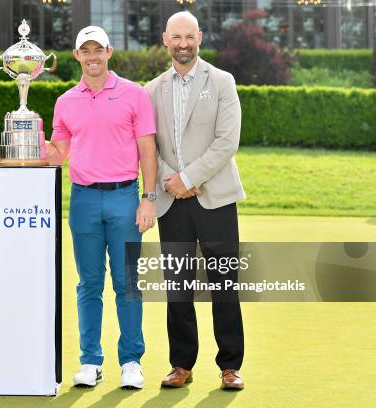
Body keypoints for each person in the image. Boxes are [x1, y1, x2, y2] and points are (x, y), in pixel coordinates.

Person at [46, 26, 158, 389]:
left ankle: (131, 361)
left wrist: (148, 199)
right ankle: (91, 360)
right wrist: (33, 137)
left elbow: (147, 150)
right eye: (85, 51)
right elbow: (59, 155)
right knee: (89, 283)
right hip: (83, 199)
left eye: (98, 50)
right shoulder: (65, 101)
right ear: (76, 56)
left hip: (125, 196)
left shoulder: (134, 94)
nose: (92, 56)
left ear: (109, 52)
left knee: (127, 283)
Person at [145, 11, 246, 390]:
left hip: (215, 198)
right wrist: (173, 182)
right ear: (165, 39)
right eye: (176, 37)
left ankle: (230, 366)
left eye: (189, 36)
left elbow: (227, 141)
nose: (183, 43)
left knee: (224, 284)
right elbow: (148, 145)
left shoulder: (222, 81)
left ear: (199, 37)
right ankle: (181, 364)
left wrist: (189, 178)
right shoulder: (151, 89)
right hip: (173, 201)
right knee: (178, 287)